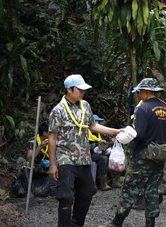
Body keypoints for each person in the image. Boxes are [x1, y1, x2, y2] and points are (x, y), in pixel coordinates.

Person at [48, 74, 123, 227]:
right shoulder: (58, 110)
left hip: (83, 158)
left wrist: (115, 131)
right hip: (65, 158)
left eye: (84, 90)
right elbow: (52, 138)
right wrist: (52, 164)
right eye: (79, 89)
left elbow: (93, 126)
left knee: (89, 190)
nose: (82, 92)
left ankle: (76, 222)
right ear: (69, 89)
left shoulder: (85, 106)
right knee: (66, 195)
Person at [101, 78, 166, 227]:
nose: (138, 95)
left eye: (138, 92)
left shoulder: (143, 108)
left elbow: (139, 134)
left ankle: (116, 223)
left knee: (129, 188)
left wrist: (129, 142)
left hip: (143, 155)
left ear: (145, 91)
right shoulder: (164, 109)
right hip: (159, 155)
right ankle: (150, 224)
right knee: (152, 189)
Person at [89, 115, 121, 191]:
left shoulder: (100, 133)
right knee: (103, 159)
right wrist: (98, 144)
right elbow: (85, 147)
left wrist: (112, 141)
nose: (99, 124)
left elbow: (108, 141)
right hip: (89, 154)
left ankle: (115, 181)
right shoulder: (85, 133)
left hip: (100, 152)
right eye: (97, 123)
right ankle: (103, 183)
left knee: (114, 156)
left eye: (99, 123)